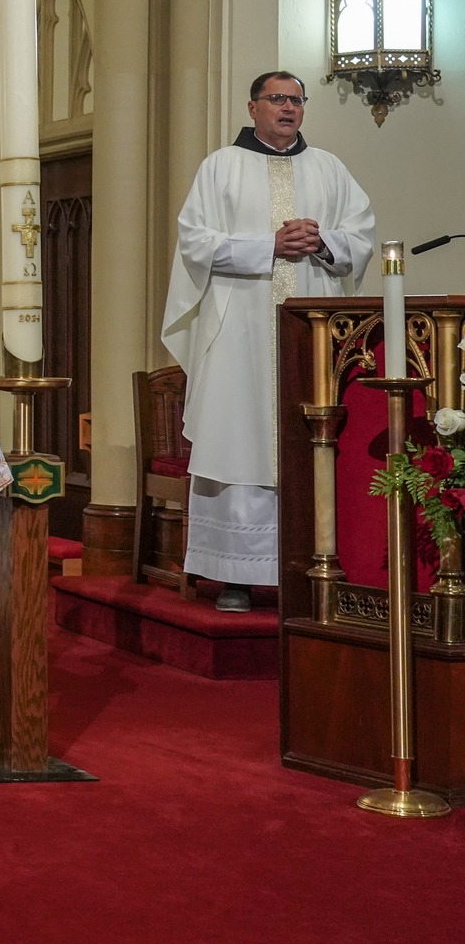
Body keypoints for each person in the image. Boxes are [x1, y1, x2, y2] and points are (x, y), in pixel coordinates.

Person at [162, 71, 375, 611]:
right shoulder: (221, 166)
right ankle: (235, 574)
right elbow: (195, 243)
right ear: (252, 106)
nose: (288, 108)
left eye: (296, 100)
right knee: (238, 438)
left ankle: (313, 565)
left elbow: (361, 236)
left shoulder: (328, 167)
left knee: (307, 438)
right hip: (239, 331)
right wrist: (269, 244)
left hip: (311, 332)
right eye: (277, 99)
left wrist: (322, 242)